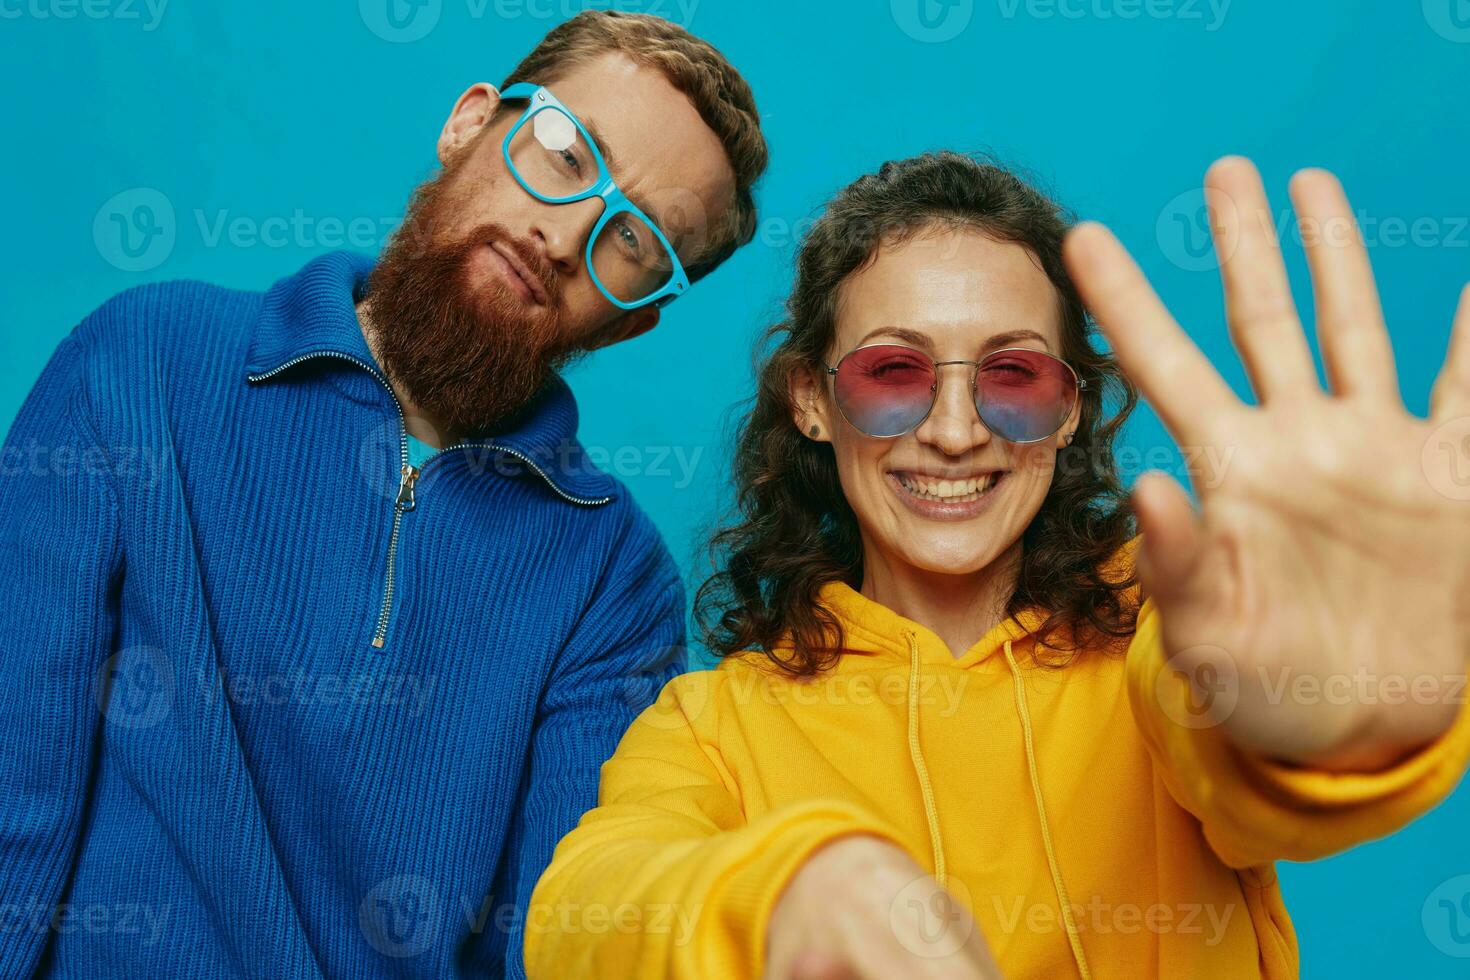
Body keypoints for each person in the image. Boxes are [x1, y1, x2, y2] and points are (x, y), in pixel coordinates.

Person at [523, 152, 1470, 979]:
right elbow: (585, 911)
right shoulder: (713, 724)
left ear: (1069, 408)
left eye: (1014, 376)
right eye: (893, 373)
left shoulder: (1167, 616)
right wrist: (776, 900)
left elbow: (1223, 730)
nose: (952, 430)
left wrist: (1306, 714)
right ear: (812, 399)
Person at [0, 12, 765, 977]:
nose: (564, 235)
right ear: (469, 123)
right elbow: (13, 776)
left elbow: (551, 934)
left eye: (634, 240)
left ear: (640, 318)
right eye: (567, 153)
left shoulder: (613, 576)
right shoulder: (144, 361)